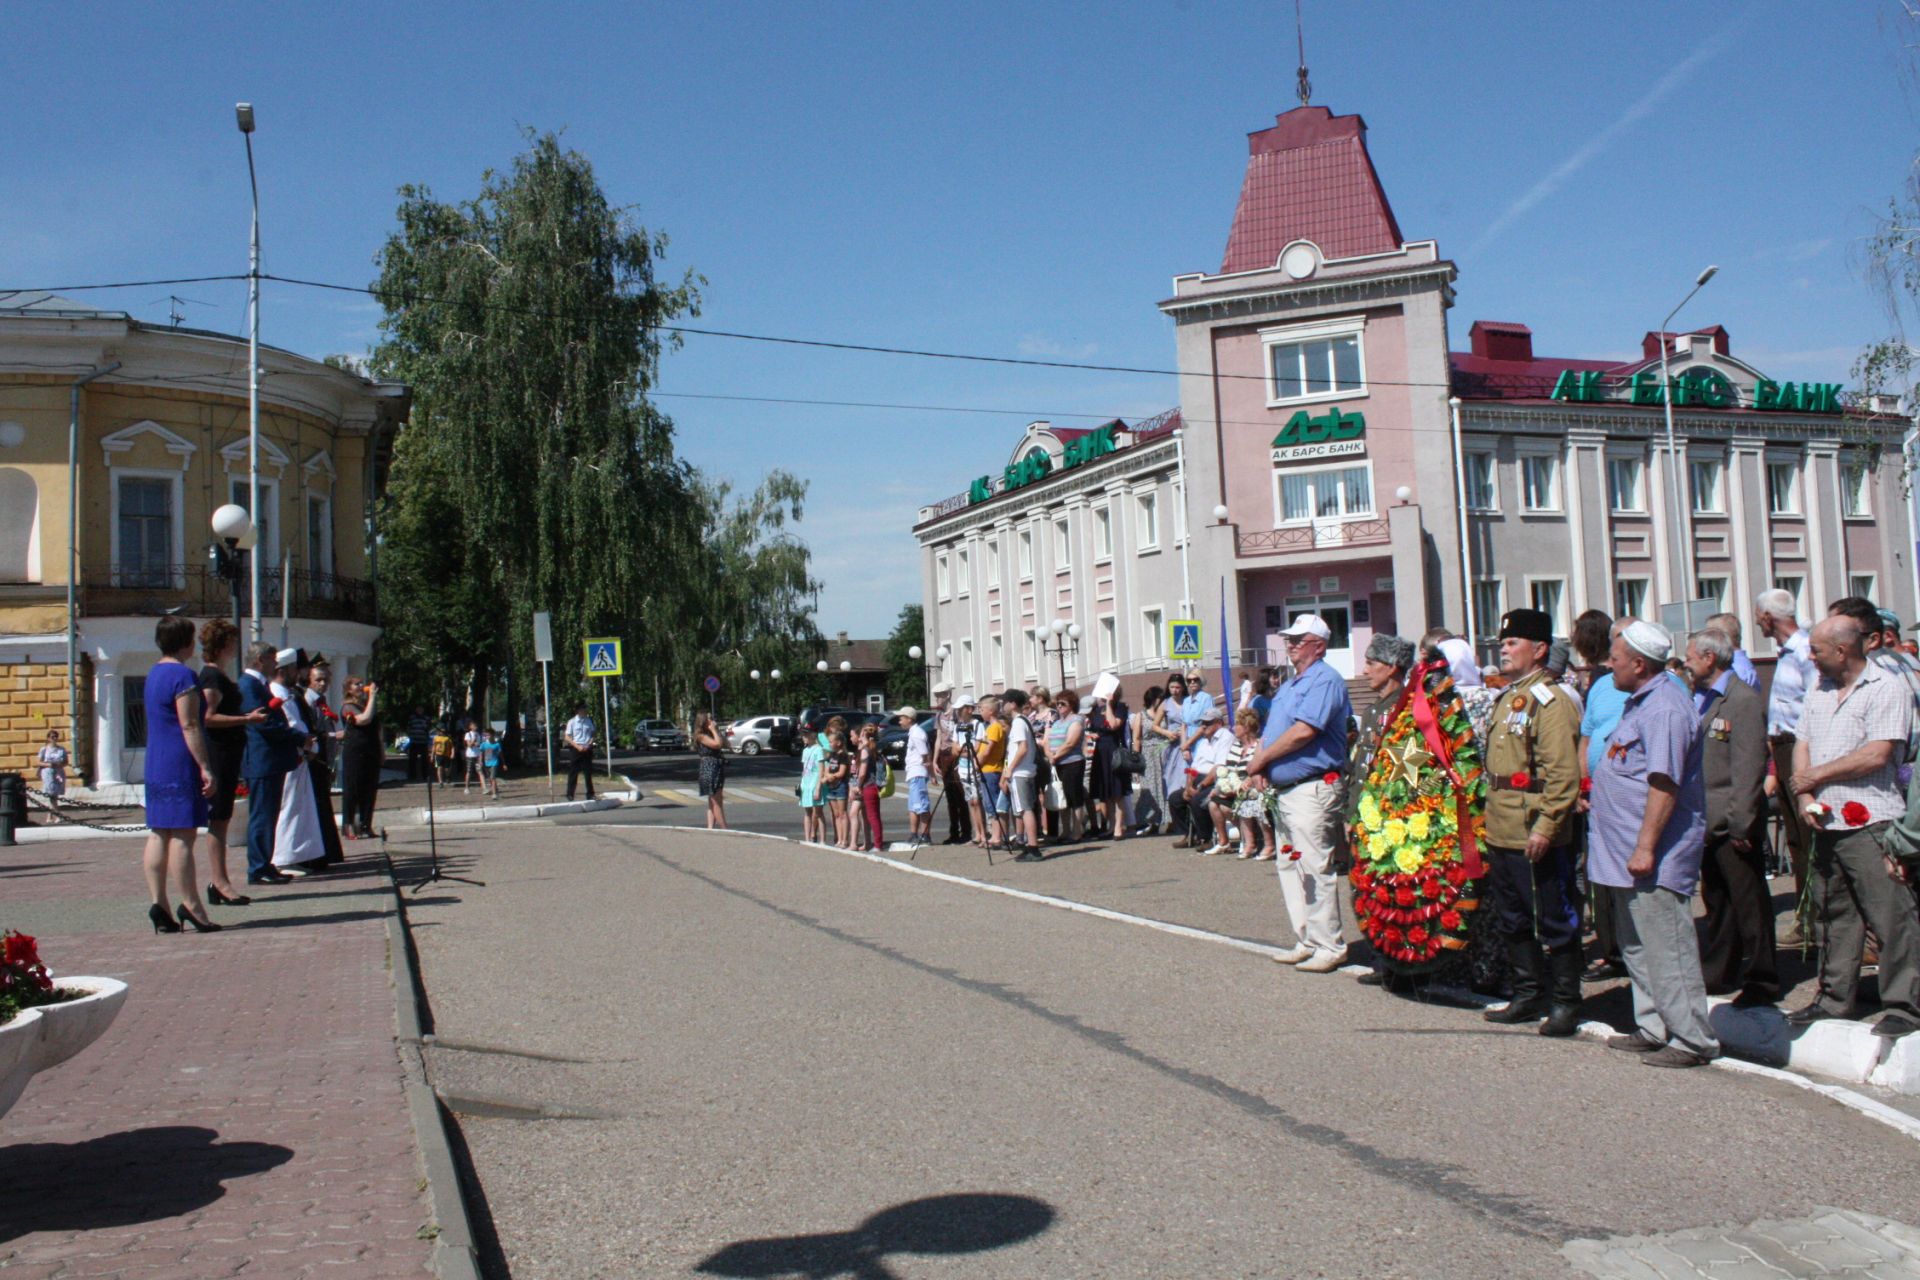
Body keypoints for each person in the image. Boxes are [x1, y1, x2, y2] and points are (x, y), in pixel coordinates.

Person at [1589, 620, 1717, 1066]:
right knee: (1638, 945)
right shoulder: (1640, 701)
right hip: (1624, 853)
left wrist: (1645, 847)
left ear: (1639, 665)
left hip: (1653, 855)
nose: (1610, 665)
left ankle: (1692, 1039)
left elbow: (1664, 783)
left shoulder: (1664, 708)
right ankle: (1654, 1025)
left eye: (1617, 659)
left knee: (1668, 947)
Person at [1789, 616, 1920, 1038]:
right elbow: (1802, 743)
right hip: (1826, 819)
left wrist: (1814, 777)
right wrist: (1806, 795)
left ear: (1842, 651)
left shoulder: (1886, 687)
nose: (1811, 657)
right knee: (1833, 915)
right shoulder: (1819, 689)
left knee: (1891, 917)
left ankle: (1904, 1005)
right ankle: (1833, 998)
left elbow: (1878, 753)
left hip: (1870, 819)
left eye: (1817, 650)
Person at [1478, 608, 1584, 1031]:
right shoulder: (1509, 696)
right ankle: (1526, 993)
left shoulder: (1550, 701)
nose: (1504, 648)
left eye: (1513, 642)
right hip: (1503, 826)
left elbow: (1562, 773)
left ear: (1539, 650)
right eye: (1503, 643)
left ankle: (1565, 1001)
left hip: (1533, 827)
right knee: (1514, 917)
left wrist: (1546, 826)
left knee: (1553, 918)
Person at [1246, 614, 1352, 973]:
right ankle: (1306, 938)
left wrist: (1261, 759)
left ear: (1319, 645)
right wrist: (1263, 765)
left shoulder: (1325, 680)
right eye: (1288, 639)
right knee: (1291, 864)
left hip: (1312, 787)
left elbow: (1304, 731)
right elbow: (1275, 730)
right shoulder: (1291, 684)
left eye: (1298, 639)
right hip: (1287, 789)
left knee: (1313, 864)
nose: (1290, 645)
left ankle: (1329, 944)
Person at [1684, 628, 1779, 1006]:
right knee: (1717, 901)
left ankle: (1763, 978)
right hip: (1707, 820)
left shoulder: (1741, 699)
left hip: (1732, 821)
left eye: (1691, 655)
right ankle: (1720, 971)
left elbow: (1748, 767)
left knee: (1750, 904)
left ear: (1710, 658)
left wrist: (1742, 822)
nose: (1687, 661)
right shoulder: (1702, 698)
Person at [141, 616, 221, 933]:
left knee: (159, 831)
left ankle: (158, 903)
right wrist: (204, 766)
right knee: (184, 834)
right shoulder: (183, 676)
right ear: (185, 642)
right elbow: (189, 724)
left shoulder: (153, 674)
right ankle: (192, 904)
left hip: (156, 759)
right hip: (179, 759)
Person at [1756, 587, 1816, 945]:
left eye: (1759, 615)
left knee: (1807, 838)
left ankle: (1815, 918)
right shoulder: (1786, 654)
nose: (1758, 621)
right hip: (1782, 748)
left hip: (1799, 747)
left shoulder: (1805, 652)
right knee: (1794, 838)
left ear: (1768, 617)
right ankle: (1806, 915)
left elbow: (1814, 706)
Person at [1575, 613, 1630, 982]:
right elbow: (1587, 737)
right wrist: (1583, 783)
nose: (1617, 649)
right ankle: (1611, 951)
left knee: (1632, 881)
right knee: (1601, 878)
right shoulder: (1602, 685)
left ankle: (1634, 951)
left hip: (1631, 799)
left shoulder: (1666, 686)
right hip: (1597, 799)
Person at [196, 619, 263, 903]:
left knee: (222, 818)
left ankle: (219, 881)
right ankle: (219, 881)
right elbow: (208, 717)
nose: (236, 647)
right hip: (219, 752)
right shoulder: (211, 678)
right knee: (219, 819)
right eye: (233, 642)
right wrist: (247, 719)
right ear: (223, 645)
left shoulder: (220, 676)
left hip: (229, 752)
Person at [240, 643, 302, 887]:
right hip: (261, 760)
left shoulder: (259, 684)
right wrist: (297, 737)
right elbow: (263, 723)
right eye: (271, 659)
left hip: (269, 760)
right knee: (262, 816)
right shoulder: (249, 685)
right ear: (259, 660)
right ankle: (257, 867)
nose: (275, 664)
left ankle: (265, 863)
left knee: (269, 815)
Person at [271, 649, 327, 876]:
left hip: (300, 757)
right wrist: (308, 744)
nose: (298, 673)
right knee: (290, 809)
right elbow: (292, 725)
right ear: (284, 670)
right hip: (293, 756)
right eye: (294, 669)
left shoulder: (287, 692)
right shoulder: (278, 693)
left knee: (300, 809)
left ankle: (296, 854)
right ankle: (283, 857)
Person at [305, 659, 346, 866]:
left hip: (324, 760)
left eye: (325, 679)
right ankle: (321, 853)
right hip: (314, 759)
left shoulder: (321, 701)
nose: (322, 684)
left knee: (324, 806)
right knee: (318, 806)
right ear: (309, 680)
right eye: (318, 680)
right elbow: (312, 732)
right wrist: (333, 735)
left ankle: (329, 852)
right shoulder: (307, 701)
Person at [1227, 707, 1274, 860]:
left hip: (1258, 783)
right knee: (1242, 801)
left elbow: (1260, 766)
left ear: (1246, 727)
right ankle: (1250, 843)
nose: (1233, 728)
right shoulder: (1236, 746)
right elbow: (1229, 769)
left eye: (1237, 725)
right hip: (1239, 785)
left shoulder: (1259, 745)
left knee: (1255, 802)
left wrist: (1248, 781)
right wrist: (1234, 784)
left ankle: (1269, 844)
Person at [338, 676, 382, 838]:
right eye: (357, 684)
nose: (361, 686)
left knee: (370, 788)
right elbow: (364, 719)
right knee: (353, 788)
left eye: (362, 683)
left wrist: (381, 751)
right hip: (355, 751)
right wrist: (372, 696)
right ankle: (348, 825)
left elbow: (377, 727)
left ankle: (365, 824)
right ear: (349, 689)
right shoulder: (348, 706)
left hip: (371, 750)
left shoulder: (365, 704)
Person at [1001, 690, 1043, 859]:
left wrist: (1009, 769)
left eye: (1004, 701)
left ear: (1012, 704)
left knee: (1025, 810)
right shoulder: (1023, 721)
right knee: (1025, 809)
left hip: (1020, 772)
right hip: (1026, 771)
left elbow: (1022, 748)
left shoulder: (1018, 722)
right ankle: (1030, 844)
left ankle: (1033, 847)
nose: (1002, 705)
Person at [1183, 706, 1230, 853]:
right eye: (1202, 723)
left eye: (1208, 723)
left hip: (1213, 780)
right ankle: (1189, 834)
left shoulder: (1225, 737)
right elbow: (1193, 766)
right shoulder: (1203, 741)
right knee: (1175, 799)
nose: (1204, 726)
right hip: (1198, 778)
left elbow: (1218, 767)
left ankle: (1206, 839)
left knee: (1198, 800)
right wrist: (1188, 786)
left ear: (1219, 723)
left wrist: (1201, 786)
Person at [931, 684, 971, 846]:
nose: (937, 699)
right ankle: (953, 831)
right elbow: (939, 738)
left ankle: (966, 831)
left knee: (961, 795)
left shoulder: (956, 713)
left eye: (940, 695)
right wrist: (934, 760)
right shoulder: (939, 715)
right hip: (944, 755)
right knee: (950, 797)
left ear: (947, 695)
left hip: (956, 753)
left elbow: (962, 733)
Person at [1045, 691, 1087, 843]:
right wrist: (1049, 754)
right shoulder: (1056, 722)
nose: (1059, 706)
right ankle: (1066, 830)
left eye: (1063, 703)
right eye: (1058, 703)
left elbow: (1071, 742)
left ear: (1072, 705)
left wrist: (1055, 755)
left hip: (1073, 762)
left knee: (1074, 797)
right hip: (1058, 764)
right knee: (1062, 797)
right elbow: (1047, 740)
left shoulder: (1076, 720)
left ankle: (1077, 831)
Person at [1090, 691, 1132, 841]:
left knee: (1117, 790)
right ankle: (1111, 825)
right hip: (1100, 751)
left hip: (1115, 751)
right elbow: (1095, 728)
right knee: (1105, 790)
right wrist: (1093, 734)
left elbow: (1113, 725)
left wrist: (1109, 704)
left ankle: (1119, 826)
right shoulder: (1096, 710)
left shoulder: (1119, 707)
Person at [1133, 685, 1170, 835]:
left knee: (1165, 786)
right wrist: (1136, 759)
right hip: (1148, 753)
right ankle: (1152, 821)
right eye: (1160, 699)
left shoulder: (1165, 715)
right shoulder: (1141, 715)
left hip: (1164, 752)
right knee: (1149, 788)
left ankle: (1169, 820)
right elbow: (1136, 738)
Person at [974, 694, 1007, 850]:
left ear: (991, 711)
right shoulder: (989, 727)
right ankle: (995, 835)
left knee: (992, 804)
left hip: (991, 770)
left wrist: (977, 763)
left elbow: (988, 751)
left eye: (982, 709)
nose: (980, 711)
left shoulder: (994, 727)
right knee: (989, 804)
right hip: (987, 770)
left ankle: (996, 836)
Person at [899, 707, 931, 848]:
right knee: (913, 805)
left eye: (902, 718)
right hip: (913, 773)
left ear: (909, 719)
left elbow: (924, 754)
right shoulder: (913, 733)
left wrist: (930, 773)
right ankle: (914, 833)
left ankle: (925, 834)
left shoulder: (917, 733)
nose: (899, 720)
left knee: (921, 805)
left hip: (918, 772)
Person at [1705, 612, 1760, 690]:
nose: (1705, 641)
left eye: (1708, 636)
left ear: (1719, 638)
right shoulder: (1740, 666)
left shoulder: (1736, 670)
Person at [694, 711, 728, 830]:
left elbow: (726, 744)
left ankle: (710, 828)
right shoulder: (701, 736)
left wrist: (717, 731)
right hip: (710, 767)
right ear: (703, 721)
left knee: (712, 800)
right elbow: (717, 745)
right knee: (716, 801)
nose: (712, 720)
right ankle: (725, 829)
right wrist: (714, 730)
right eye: (709, 719)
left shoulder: (711, 733)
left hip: (716, 766)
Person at [856, 722, 887, 850]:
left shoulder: (865, 749)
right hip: (876, 785)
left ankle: (878, 845)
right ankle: (878, 842)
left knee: (872, 817)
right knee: (875, 816)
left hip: (868, 785)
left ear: (863, 733)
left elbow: (863, 772)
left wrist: (858, 785)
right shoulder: (874, 748)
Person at [822, 729, 852, 847]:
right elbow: (827, 768)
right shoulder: (832, 755)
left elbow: (841, 772)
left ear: (838, 742)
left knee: (842, 813)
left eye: (831, 742)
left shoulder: (843, 755)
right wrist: (826, 775)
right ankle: (839, 839)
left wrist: (831, 776)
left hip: (840, 786)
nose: (829, 744)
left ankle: (845, 840)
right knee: (836, 815)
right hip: (831, 786)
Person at [563, 702, 596, 801]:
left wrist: (590, 743)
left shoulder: (589, 721)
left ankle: (590, 794)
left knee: (588, 772)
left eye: (585, 708)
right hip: (576, 749)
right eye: (583, 708)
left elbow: (593, 734)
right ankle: (570, 794)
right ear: (578, 710)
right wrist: (577, 747)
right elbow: (567, 737)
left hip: (587, 748)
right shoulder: (572, 722)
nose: (585, 710)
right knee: (573, 772)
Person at [35, 729, 66, 811]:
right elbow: (38, 762)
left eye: (56, 737)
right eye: (52, 737)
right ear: (48, 738)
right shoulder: (44, 749)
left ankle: (50, 815)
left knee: (55, 794)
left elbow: (66, 762)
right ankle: (57, 814)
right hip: (47, 772)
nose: (54, 738)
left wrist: (59, 764)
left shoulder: (61, 749)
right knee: (51, 793)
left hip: (58, 772)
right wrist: (48, 764)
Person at [406, 705, 431, 781]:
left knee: (425, 760)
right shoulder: (412, 718)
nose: (420, 711)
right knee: (412, 760)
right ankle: (412, 775)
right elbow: (409, 727)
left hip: (423, 741)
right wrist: (410, 735)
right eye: (418, 709)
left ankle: (425, 775)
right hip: (414, 741)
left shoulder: (426, 718)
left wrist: (425, 726)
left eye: (421, 709)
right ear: (416, 710)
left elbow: (428, 728)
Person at [479, 728, 502, 799]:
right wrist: (480, 761)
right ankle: (496, 790)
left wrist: (503, 763)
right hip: (487, 763)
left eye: (489, 735)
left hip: (494, 763)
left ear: (493, 735)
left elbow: (500, 754)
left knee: (493, 777)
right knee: (490, 778)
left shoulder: (497, 744)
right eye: (486, 735)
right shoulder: (483, 744)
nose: (487, 736)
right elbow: (481, 753)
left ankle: (494, 794)